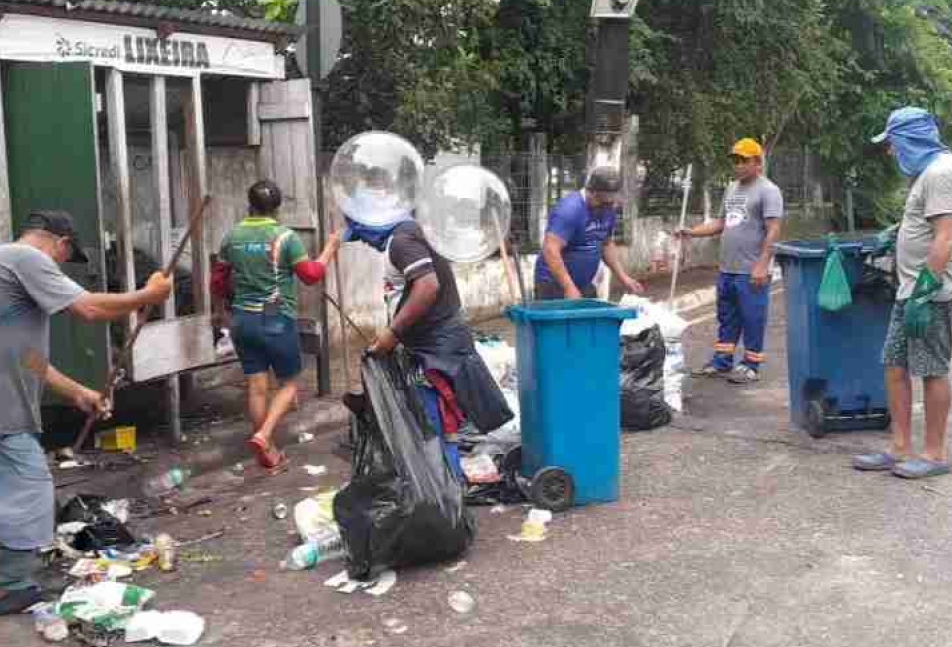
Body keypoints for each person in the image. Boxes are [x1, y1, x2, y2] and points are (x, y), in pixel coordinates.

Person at [0, 210, 172, 614]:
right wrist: (147, 297)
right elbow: (89, 310)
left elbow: (26, 355)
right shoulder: (25, 259)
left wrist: (76, 392)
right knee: (31, 486)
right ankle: (13, 583)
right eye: (66, 258)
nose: (62, 267)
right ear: (60, 242)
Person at [342, 207, 512, 476]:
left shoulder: (402, 241)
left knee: (435, 423)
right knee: (433, 423)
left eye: (360, 234)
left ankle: (446, 493)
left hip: (436, 349)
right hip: (433, 343)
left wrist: (393, 333)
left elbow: (427, 285)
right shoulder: (406, 235)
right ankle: (443, 487)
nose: (362, 241)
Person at [853, 107, 952, 480]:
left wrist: (924, 292)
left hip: (934, 291)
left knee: (932, 369)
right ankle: (900, 449)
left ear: (910, 138)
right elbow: (928, 223)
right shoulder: (928, 173)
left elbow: (946, 236)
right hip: (910, 289)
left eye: (892, 143)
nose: (890, 152)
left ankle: (935, 454)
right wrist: (897, 232)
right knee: (895, 364)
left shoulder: (940, 173)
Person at [215, 179, 340, 471]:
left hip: (242, 319)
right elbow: (311, 275)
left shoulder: (232, 236)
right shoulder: (285, 237)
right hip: (275, 317)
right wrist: (330, 248)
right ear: (278, 207)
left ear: (249, 203)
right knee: (289, 383)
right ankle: (264, 434)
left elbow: (218, 281)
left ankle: (268, 451)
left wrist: (224, 310)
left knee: (257, 386)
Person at [677, 138, 784, 384]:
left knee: (752, 317)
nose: (737, 165)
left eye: (743, 160)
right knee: (727, 317)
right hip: (727, 268)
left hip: (751, 270)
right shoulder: (731, 188)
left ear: (758, 162)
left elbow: (774, 229)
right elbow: (721, 223)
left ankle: (751, 365)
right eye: (734, 160)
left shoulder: (768, 191)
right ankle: (722, 361)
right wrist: (691, 232)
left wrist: (762, 263)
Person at [534, 166, 644, 300]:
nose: (608, 205)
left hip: (583, 284)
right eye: (603, 201)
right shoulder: (570, 210)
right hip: (553, 285)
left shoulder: (608, 208)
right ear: (591, 192)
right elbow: (550, 250)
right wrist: (568, 287)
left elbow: (606, 244)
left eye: (611, 199)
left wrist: (624, 278)